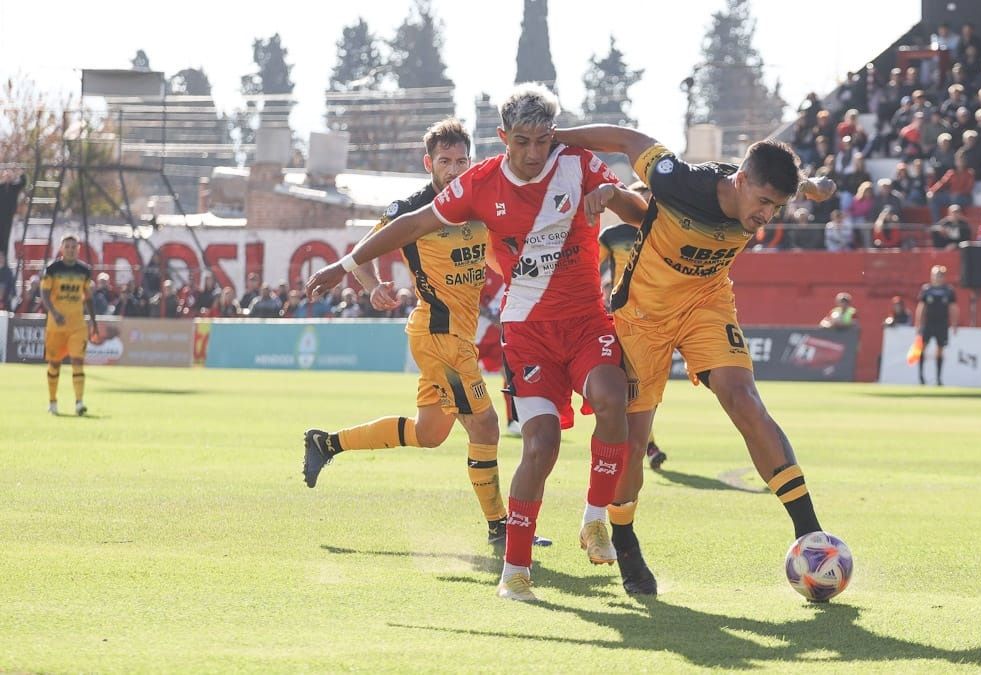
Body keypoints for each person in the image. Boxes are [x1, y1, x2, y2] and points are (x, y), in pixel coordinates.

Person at [305, 85, 644, 602]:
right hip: (477, 333)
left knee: (435, 432)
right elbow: (400, 229)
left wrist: (613, 199)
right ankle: (507, 551)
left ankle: (594, 519)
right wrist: (351, 271)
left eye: (544, 140)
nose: (534, 153)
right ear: (503, 138)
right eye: (523, 141)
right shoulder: (460, 192)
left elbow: (632, 215)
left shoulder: (567, 168)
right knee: (515, 437)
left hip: (562, 323)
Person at [552, 122, 836, 599]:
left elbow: (792, 183)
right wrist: (556, 135)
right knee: (634, 440)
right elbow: (627, 140)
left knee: (743, 398)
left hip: (707, 304)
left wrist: (812, 187)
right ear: (740, 181)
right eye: (763, 202)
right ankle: (626, 541)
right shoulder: (678, 179)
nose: (766, 216)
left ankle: (810, 533)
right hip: (642, 315)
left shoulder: (763, 190)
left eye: (776, 207)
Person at [303, 118, 542, 551]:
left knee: (429, 433)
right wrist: (372, 287)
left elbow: (492, 254)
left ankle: (326, 444)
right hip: (438, 335)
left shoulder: (478, 203)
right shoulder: (412, 209)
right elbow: (360, 254)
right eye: (445, 161)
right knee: (485, 426)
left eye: (461, 161)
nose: (454, 169)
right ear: (428, 163)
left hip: (457, 336)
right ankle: (500, 527)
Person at [598, 180, 668, 470]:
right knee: (630, 384)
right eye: (640, 197)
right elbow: (592, 267)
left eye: (649, 198)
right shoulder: (611, 235)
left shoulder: (662, 233)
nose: (644, 204)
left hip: (654, 316)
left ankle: (640, 443)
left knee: (644, 387)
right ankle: (645, 445)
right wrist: (602, 291)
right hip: (621, 315)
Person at [40, 234, 97, 415]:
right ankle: (52, 402)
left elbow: (88, 298)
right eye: (67, 247)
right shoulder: (52, 269)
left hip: (77, 325)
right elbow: (44, 293)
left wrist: (94, 322)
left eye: (74, 247)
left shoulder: (84, 271)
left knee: (78, 361)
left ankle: (79, 403)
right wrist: (54, 312)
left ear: (78, 249)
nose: (71, 250)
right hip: (56, 325)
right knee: (54, 364)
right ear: (61, 249)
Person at [914, 265, 958, 386]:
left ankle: (938, 378)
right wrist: (918, 323)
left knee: (940, 350)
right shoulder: (926, 289)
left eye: (940, 275)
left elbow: (953, 308)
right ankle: (921, 376)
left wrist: (954, 323)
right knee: (922, 348)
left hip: (942, 324)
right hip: (928, 323)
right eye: (935, 275)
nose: (938, 278)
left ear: (944, 277)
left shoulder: (948, 291)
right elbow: (921, 307)